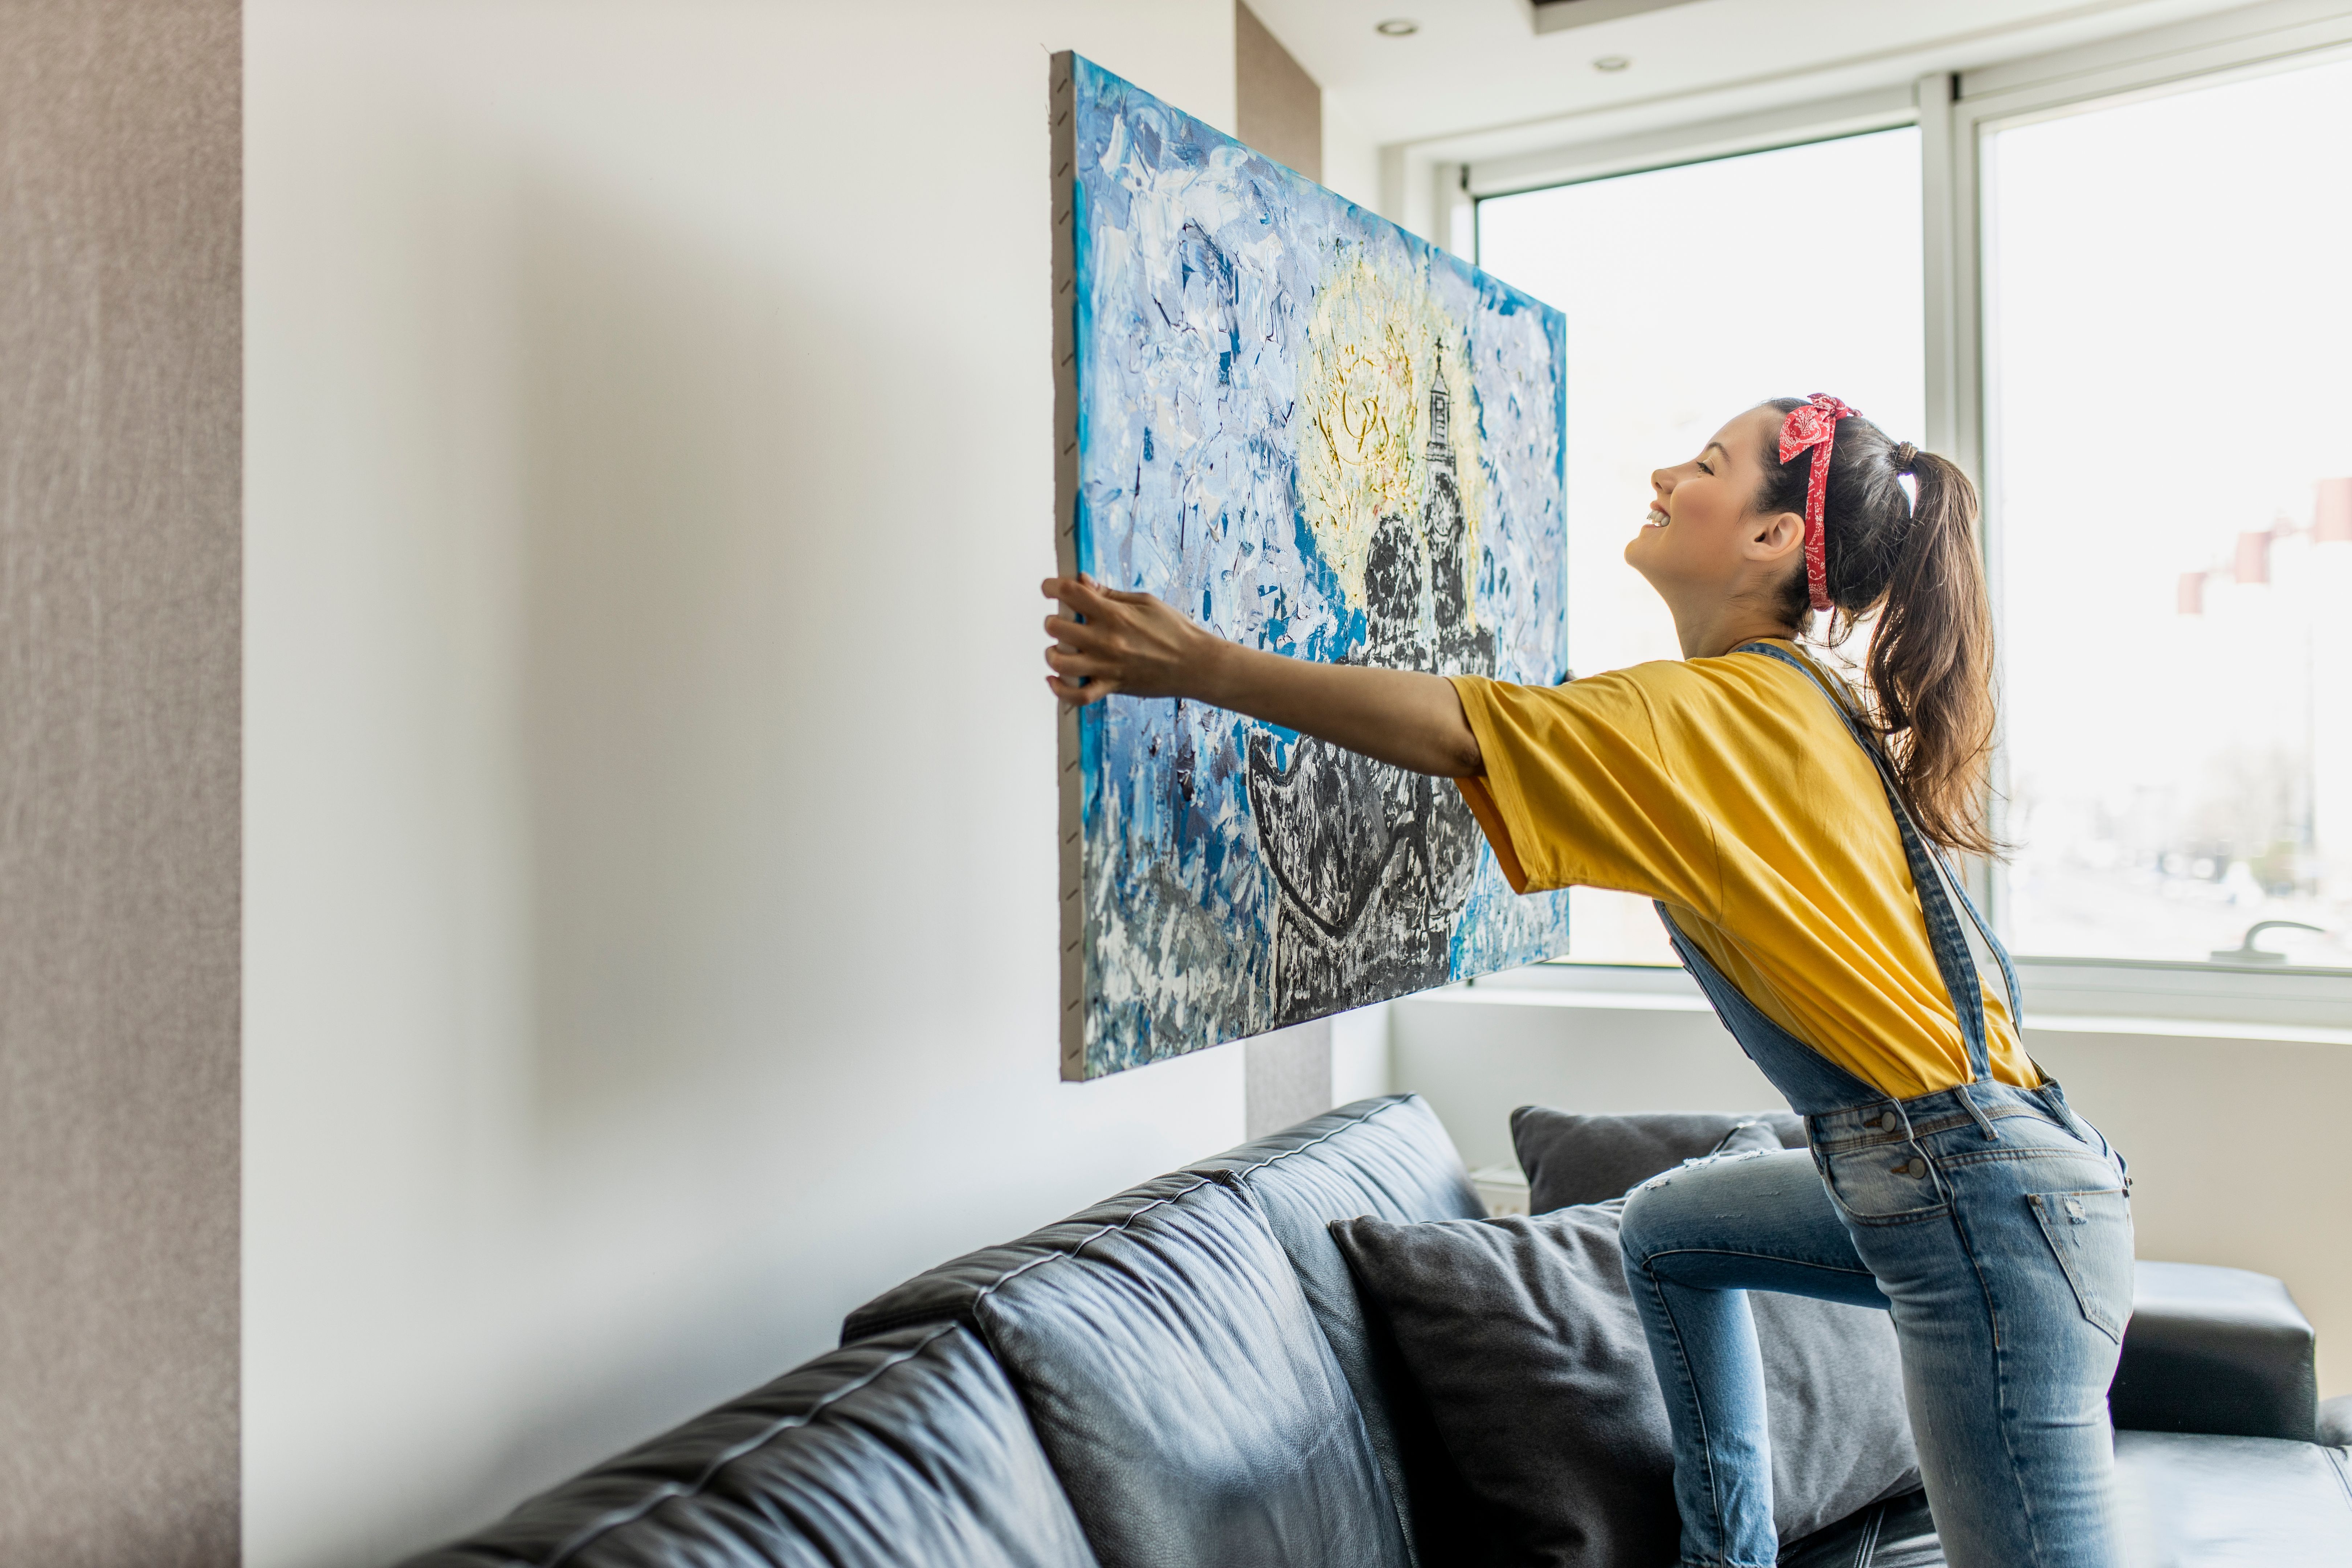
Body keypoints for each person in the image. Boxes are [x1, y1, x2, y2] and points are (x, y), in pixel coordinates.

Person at [1040, 395, 2133, 1568]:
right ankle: (1728, 1554)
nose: (1668, 472)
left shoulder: (1726, 709)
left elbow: (1471, 730)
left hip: (1981, 1216)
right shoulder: (1796, 703)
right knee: (1668, 1228)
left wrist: (1202, 665)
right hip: (1971, 1179)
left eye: (1711, 463)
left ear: (1773, 539)